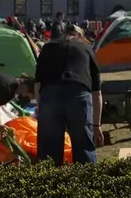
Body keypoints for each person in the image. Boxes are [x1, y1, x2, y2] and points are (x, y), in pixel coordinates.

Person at [35, 24, 103, 165]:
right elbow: (97, 93)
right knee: (83, 147)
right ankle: (88, 183)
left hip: (50, 96)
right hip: (79, 94)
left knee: (48, 151)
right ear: (81, 37)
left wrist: (41, 109)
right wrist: (96, 125)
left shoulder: (47, 48)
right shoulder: (86, 49)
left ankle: (48, 184)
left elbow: (37, 85)